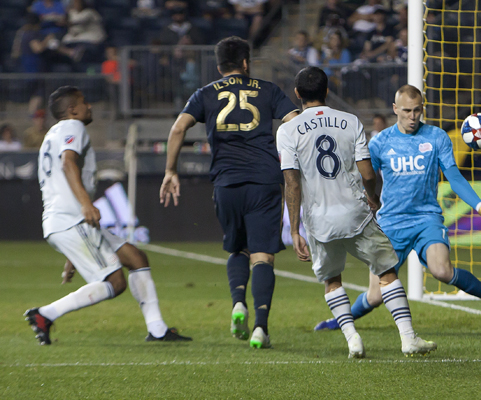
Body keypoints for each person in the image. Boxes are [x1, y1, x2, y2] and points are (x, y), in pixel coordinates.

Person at [314, 84, 481, 332]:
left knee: (441, 270)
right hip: (390, 223)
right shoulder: (380, 142)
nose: (412, 117)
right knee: (376, 296)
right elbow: (364, 177)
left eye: (417, 110)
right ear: (395, 109)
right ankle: (341, 321)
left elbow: (454, 177)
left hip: (426, 219)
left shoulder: (436, 137)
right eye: (407, 111)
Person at [277, 67, 436, 358]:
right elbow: (367, 172)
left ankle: (352, 339)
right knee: (386, 271)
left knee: (332, 280)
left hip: (319, 220)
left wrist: (295, 228)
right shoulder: (350, 121)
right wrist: (373, 198)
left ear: (297, 94)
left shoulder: (287, 130)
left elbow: (292, 183)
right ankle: (408, 338)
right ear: (326, 91)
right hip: (355, 213)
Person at [159, 36, 299, 349]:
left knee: (238, 249)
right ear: (246, 63)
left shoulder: (205, 93)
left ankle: (238, 303)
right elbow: (294, 122)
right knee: (263, 254)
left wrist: (171, 171)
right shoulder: (268, 90)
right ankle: (261, 327)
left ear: (220, 65)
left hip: (226, 182)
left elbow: (178, 128)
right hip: (264, 181)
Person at [25, 86, 192, 345]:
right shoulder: (73, 127)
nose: (89, 106)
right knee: (114, 282)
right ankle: (45, 314)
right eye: (84, 102)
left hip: (65, 221)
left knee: (136, 257)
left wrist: (76, 250)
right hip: (71, 220)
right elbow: (68, 163)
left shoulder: (52, 134)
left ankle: (157, 329)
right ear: (72, 110)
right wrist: (86, 205)